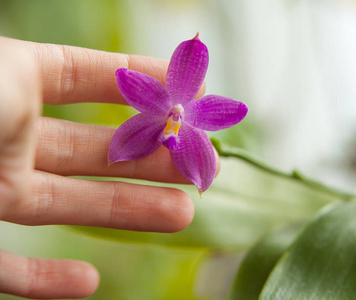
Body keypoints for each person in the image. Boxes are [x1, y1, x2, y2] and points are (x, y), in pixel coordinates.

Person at [0, 36, 217, 299]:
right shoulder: (143, 124)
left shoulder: (193, 140)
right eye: (173, 118)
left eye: (178, 120)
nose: (175, 120)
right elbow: (125, 97)